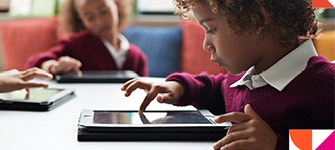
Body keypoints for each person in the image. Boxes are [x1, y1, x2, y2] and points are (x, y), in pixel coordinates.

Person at [121, 0, 334, 149]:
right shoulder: (247, 78)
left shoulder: (325, 85)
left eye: (211, 29)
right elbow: (218, 89)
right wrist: (180, 87)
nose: (206, 44)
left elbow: (330, 143)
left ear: (259, 20)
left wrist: (277, 144)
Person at [25, 0, 148, 77]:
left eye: (104, 11)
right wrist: (53, 66)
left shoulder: (137, 57)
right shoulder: (76, 45)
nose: (100, 21)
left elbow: (144, 94)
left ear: (117, 6)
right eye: (90, 18)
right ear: (82, 20)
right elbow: (33, 63)